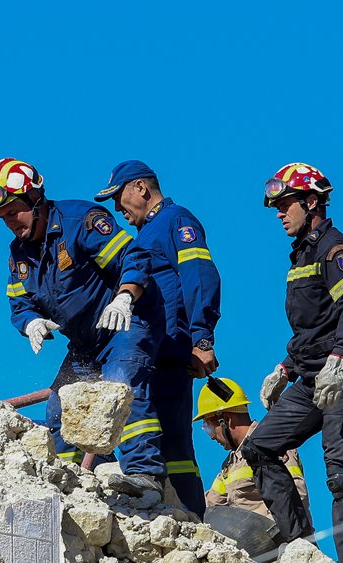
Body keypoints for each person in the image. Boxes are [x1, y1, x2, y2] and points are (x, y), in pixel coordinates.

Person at [0, 157, 167, 496]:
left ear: (36, 201)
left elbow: (134, 258)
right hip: (84, 343)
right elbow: (19, 304)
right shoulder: (19, 254)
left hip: (125, 324)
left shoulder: (81, 221)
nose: (8, 223)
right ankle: (67, 483)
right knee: (59, 409)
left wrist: (124, 297)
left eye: (13, 213)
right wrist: (31, 322)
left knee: (120, 386)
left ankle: (146, 477)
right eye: (2, 217)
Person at [239, 163, 343, 563]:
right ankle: (302, 547)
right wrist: (284, 368)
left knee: (339, 473)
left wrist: (340, 358)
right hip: (312, 373)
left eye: (285, 205)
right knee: (259, 449)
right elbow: (313, 326)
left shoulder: (335, 249)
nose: (279, 213)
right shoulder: (300, 254)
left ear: (312, 201)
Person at [95, 159, 221, 518]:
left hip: (173, 345)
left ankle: (192, 518)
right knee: (162, 432)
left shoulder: (175, 220)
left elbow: (199, 275)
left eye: (119, 198)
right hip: (154, 348)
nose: (118, 209)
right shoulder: (145, 234)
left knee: (172, 438)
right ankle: (172, 517)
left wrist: (202, 339)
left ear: (140, 188)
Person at [194, 377, 309, 521]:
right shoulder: (230, 466)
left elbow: (296, 498)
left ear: (226, 420)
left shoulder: (274, 445)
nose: (212, 437)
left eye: (210, 428)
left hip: (283, 541)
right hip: (248, 542)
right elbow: (209, 504)